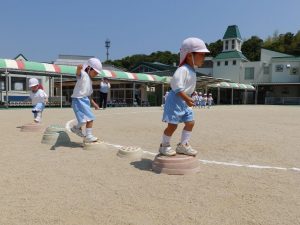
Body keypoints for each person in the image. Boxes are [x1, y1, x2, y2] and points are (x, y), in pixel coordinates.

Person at [159, 37, 209, 156]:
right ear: (189, 55)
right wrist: (186, 98)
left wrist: (188, 98)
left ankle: (183, 144)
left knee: (190, 122)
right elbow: (175, 84)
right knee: (172, 125)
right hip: (176, 99)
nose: (204, 58)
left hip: (185, 100)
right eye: (201, 55)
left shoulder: (192, 70)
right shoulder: (182, 69)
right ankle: (164, 145)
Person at [70, 58, 102, 143]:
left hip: (84, 101)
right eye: (95, 72)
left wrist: (94, 103)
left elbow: (89, 96)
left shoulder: (90, 82)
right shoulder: (83, 74)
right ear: (88, 68)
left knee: (84, 120)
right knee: (89, 118)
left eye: (97, 73)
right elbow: (78, 74)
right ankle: (88, 136)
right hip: (78, 100)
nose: (96, 74)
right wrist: (79, 69)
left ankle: (76, 128)